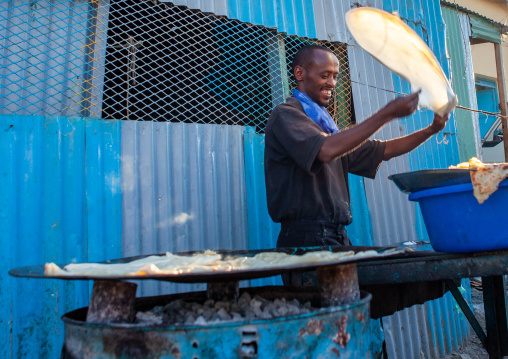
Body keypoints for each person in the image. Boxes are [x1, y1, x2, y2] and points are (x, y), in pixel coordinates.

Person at [264, 44, 449, 254]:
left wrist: (432, 129)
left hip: (336, 236)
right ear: (300, 73)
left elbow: (383, 150)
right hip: (306, 240)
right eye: (324, 75)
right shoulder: (286, 115)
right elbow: (325, 150)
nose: (331, 83)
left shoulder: (326, 128)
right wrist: (387, 113)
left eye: (335, 76)